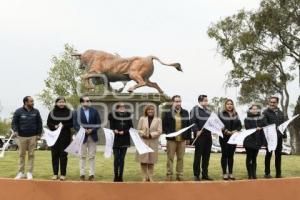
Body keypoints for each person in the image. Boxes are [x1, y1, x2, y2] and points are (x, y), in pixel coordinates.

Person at [11, 96, 43, 180]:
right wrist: (15, 130)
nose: (33, 103)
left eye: (33, 101)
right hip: (21, 137)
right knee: (21, 155)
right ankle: (21, 172)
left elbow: (39, 123)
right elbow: (14, 123)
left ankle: (29, 172)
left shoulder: (36, 111)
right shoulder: (18, 111)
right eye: (31, 101)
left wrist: (39, 134)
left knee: (31, 155)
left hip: (33, 136)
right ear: (26, 102)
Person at [163, 95, 191, 181]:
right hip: (172, 140)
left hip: (182, 140)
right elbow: (164, 125)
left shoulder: (186, 112)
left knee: (180, 158)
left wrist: (188, 138)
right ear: (173, 102)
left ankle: (180, 174)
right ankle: (169, 174)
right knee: (170, 158)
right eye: (176, 101)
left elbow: (188, 125)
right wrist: (169, 133)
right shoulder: (168, 113)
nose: (178, 103)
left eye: (179, 101)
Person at [73, 96, 101, 181]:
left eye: (89, 101)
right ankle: (82, 174)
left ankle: (91, 175)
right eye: (86, 101)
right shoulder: (76, 112)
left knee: (92, 156)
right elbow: (75, 125)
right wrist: (83, 130)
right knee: (82, 156)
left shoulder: (95, 111)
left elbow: (98, 123)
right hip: (82, 137)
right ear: (81, 102)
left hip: (93, 136)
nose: (88, 102)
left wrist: (92, 130)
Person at [47, 97, 73, 181]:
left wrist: (64, 125)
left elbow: (72, 123)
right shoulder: (52, 112)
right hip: (54, 137)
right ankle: (55, 174)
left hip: (65, 136)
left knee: (63, 155)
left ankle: (63, 174)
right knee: (54, 155)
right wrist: (55, 126)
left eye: (63, 102)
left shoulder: (69, 112)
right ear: (56, 103)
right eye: (60, 102)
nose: (61, 104)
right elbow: (48, 123)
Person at [136, 104, 162, 182]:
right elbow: (138, 130)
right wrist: (143, 133)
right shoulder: (142, 119)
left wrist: (151, 135)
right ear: (146, 111)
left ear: (154, 111)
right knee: (143, 160)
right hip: (143, 142)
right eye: (149, 109)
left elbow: (159, 131)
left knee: (151, 160)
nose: (150, 111)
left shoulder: (158, 120)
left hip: (153, 141)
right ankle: (144, 176)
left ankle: (150, 176)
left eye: (152, 109)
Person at [108, 102, 133, 182]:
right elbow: (111, 127)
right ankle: (115, 176)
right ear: (117, 108)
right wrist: (114, 130)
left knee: (122, 159)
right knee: (116, 158)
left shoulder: (128, 115)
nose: (123, 108)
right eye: (120, 107)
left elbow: (131, 127)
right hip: (116, 139)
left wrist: (124, 132)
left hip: (125, 139)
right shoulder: (112, 115)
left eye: (124, 106)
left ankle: (120, 176)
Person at [190, 95, 213, 181]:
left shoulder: (208, 111)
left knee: (206, 156)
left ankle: (205, 174)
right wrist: (196, 131)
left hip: (208, 136)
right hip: (199, 136)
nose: (207, 102)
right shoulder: (194, 110)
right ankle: (196, 175)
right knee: (198, 156)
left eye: (207, 100)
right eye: (205, 100)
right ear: (200, 101)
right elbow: (192, 122)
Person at [218, 99, 242, 180]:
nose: (229, 105)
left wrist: (235, 131)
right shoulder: (221, 114)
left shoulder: (236, 114)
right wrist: (226, 131)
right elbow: (219, 125)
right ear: (225, 105)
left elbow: (240, 126)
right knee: (224, 155)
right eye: (228, 104)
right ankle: (224, 173)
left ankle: (231, 173)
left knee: (231, 155)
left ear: (233, 105)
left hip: (233, 138)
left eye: (231, 104)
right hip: (224, 137)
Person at [263, 96, 286, 178]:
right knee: (268, 155)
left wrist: (284, 135)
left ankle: (278, 173)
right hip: (270, 138)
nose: (272, 104)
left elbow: (284, 125)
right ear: (269, 103)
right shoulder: (265, 112)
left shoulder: (281, 113)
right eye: (271, 102)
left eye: (274, 102)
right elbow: (264, 123)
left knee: (278, 155)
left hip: (279, 137)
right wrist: (273, 127)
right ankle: (267, 173)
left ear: (277, 103)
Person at [244, 104, 266, 179]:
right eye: (253, 109)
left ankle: (254, 174)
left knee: (254, 158)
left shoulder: (261, 119)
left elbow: (263, 128)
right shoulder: (247, 119)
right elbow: (248, 128)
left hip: (257, 141)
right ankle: (249, 174)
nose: (255, 110)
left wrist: (263, 141)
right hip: (249, 141)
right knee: (249, 157)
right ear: (250, 110)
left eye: (256, 109)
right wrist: (256, 128)